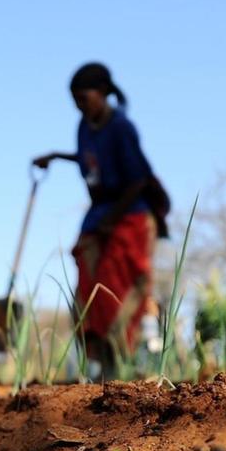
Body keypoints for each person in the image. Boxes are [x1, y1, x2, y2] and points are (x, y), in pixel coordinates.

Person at [33, 62, 166, 378]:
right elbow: (88, 160)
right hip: (100, 215)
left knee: (117, 286)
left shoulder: (121, 127)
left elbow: (139, 179)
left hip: (129, 214)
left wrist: (112, 219)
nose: (80, 106)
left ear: (103, 93)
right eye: (75, 101)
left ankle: (121, 363)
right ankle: (96, 362)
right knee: (87, 284)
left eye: (84, 98)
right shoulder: (84, 127)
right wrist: (55, 156)